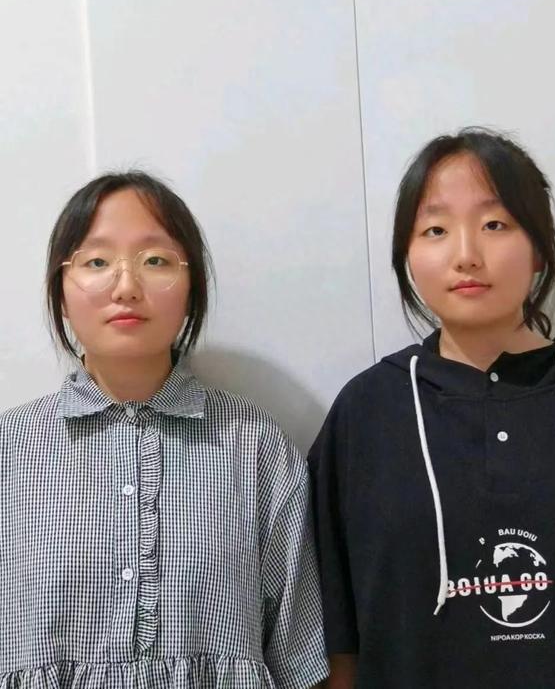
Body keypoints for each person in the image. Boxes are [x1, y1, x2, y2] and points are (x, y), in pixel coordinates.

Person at [310, 128, 555, 688]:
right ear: (408, 255)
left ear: (539, 248)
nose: (466, 255)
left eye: (495, 224)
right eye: (435, 230)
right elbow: (337, 645)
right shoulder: (365, 413)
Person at [0, 172, 328, 687]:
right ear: (60, 290)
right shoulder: (9, 449)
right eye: (96, 262)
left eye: (155, 261)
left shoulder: (254, 445)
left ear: (191, 286)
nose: (126, 287)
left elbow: (298, 659)